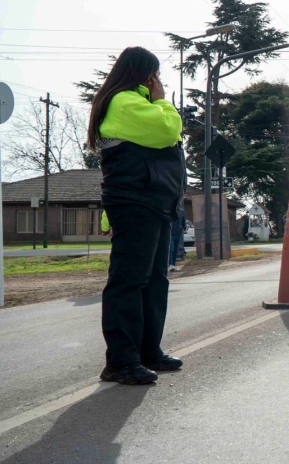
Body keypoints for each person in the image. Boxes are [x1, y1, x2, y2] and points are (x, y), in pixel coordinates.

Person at [87, 46, 184, 385]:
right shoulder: (124, 101)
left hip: (153, 202)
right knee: (129, 281)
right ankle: (120, 361)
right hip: (136, 202)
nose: (157, 80)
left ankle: (147, 352)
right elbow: (167, 131)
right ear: (142, 73)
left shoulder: (135, 102)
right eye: (154, 73)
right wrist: (162, 100)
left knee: (155, 280)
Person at [168, 208, 186, 272]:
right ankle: (170, 264)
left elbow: (183, 220)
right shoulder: (169, 209)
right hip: (170, 232)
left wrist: (184, 228)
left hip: (178, 232)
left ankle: (173, 264)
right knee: (171, 249)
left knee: (175, 249)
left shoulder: (182, 211)